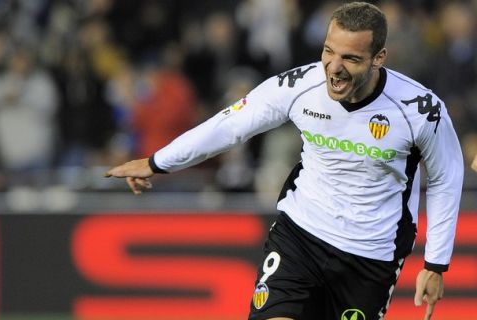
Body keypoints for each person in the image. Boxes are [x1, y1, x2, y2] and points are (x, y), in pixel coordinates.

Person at [105, 2, 464, 320]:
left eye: (351, 59)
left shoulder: (420, 110)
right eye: (329, 52)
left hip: (371, 256)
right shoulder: (299, 86)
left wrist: (435, 264)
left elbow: (447, 177)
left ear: (379, 57)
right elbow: (232, 125)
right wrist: (158, 161)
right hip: (301, 236)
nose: (334, 68)